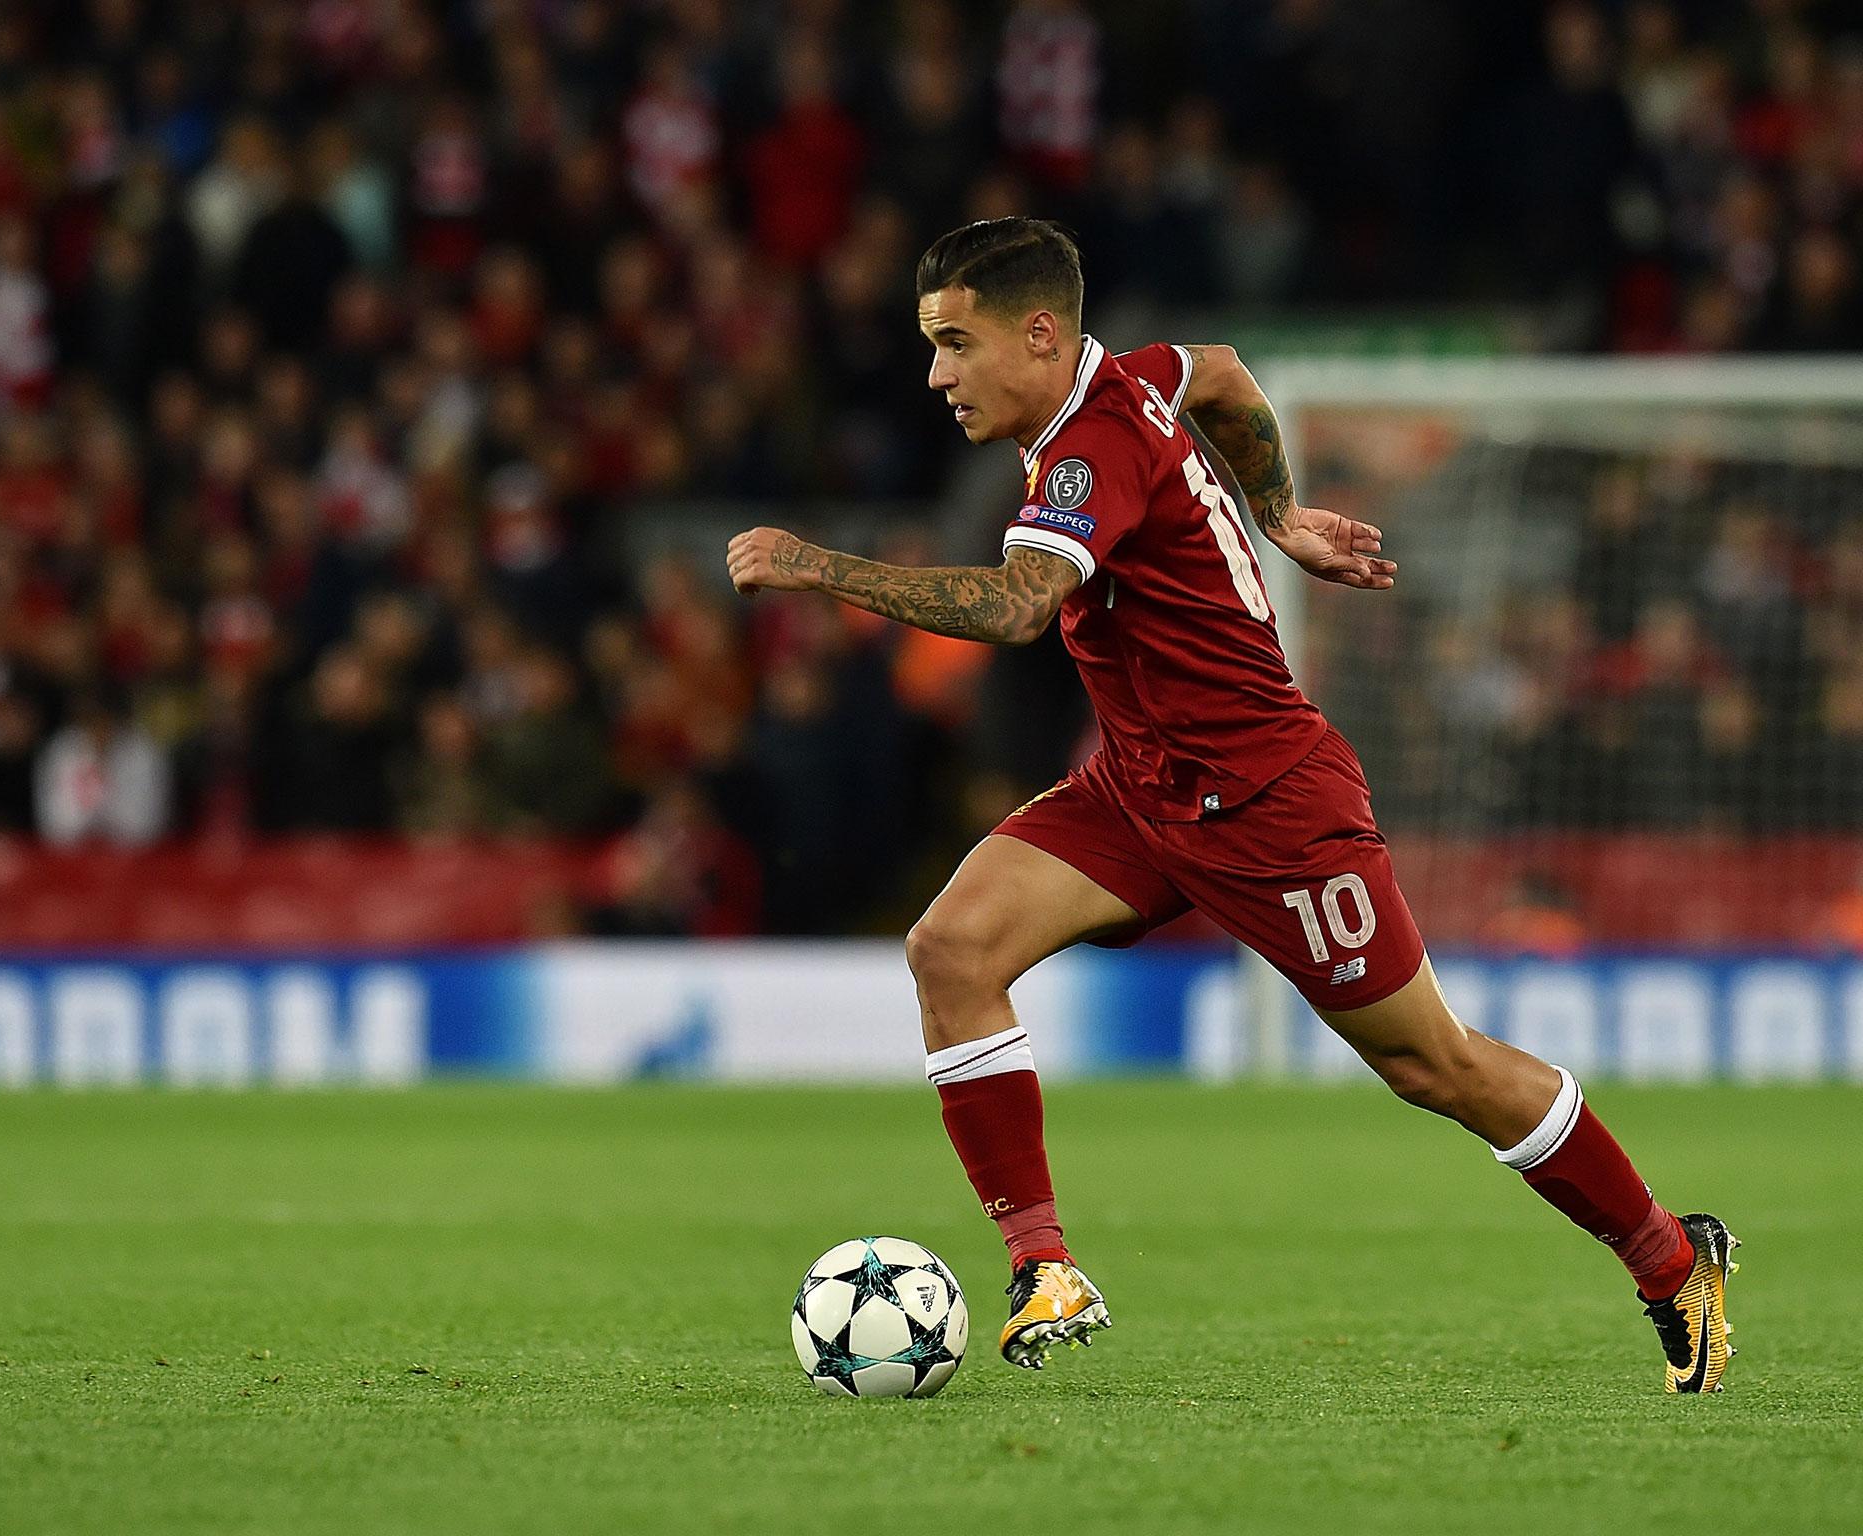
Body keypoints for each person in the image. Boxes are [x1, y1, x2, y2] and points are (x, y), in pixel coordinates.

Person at [725, 218, 1739, 1392]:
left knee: (1434, 1067)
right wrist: (1281, 513)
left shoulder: (1086, 453)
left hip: (1268, 806)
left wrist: (820, 566)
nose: (936, 375)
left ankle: (1672, 1259)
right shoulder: (1125, 377)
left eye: (955, 344)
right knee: (950, 949)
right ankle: (1041, 1266)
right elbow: (1217, 369)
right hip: (1138, 785)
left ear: (1038, 334)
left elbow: (1014, 608)